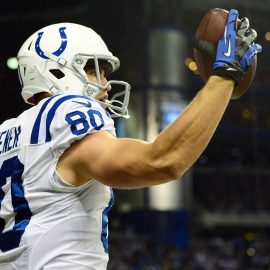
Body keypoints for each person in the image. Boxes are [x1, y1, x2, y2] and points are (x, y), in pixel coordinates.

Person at [0, 9, 261, 270]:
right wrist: (225, 75)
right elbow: (161, 161)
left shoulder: (8, 132)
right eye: (95, 70)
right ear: (56, 72)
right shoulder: (66, 111)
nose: (106, 84)